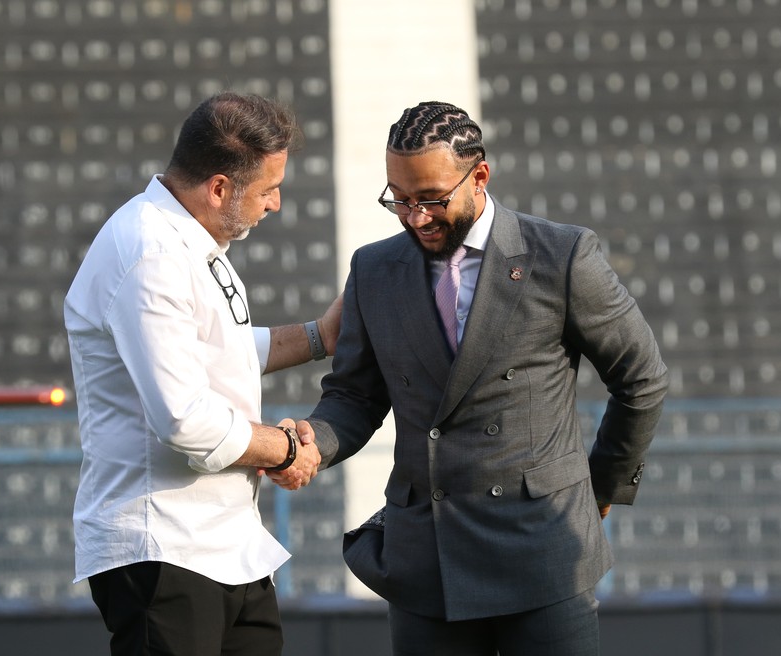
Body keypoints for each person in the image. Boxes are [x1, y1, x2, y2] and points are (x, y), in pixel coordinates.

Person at [298, 101, 669, 656]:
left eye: (431, 199)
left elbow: (641, 378)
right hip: (427, 559)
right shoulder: (373, 269)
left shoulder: (561, 256)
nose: (415, 217)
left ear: (479, 177)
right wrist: (311, 442)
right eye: (399, 199)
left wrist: (601, 487)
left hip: (542, 549)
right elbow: (354, 396)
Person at [63, 92, 339, 656]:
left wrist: (319, 337)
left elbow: (219, 350)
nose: (276, 203)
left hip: (226, 546)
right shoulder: (151, 253)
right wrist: (286, 450)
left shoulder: (188, 240)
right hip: (163, 549)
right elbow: (184, 419)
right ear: (218, 188)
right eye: (267, 189)